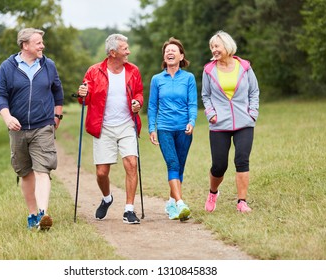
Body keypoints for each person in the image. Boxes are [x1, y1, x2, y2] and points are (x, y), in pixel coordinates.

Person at [0, 28, 64, 230]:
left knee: (43, 170)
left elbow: (57, 92)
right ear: (25, 45)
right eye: (38, 43)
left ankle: (43, 213)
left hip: (43, 125)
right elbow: (0, 95)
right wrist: (7, 117)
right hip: (18, 129)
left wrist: (57, 116)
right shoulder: (7, 67)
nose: (43, 46)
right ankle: (33, 215)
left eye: (42, 42)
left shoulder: (48, 65)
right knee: (25, 173)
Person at [77, 34, 144, 224]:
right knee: (101, 173)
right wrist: (82, 93)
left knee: (131, 163)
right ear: (113, 52)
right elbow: (85, 99)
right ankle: (107, 198)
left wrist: (137, 103)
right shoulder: (94, 71)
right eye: (125, 49)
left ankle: (129, 210)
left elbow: (139, 92)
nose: (128, 51)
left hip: (126, 125)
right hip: (103, 127)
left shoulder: (133, 71)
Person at [201, 30, 259, 213]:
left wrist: (252, 113)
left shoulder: (245, 67)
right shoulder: (209, 70)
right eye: (212, 47)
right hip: (219, 124)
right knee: (219, 165)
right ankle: (213, 192)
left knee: (242, 160)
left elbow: (254, 91)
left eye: (216, 46)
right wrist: (211, 114)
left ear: (227, 46)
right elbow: (205, 95)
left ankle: (242, 202)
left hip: (244, 122)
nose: (214, 50)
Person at [147, 37, 197, 221]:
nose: (170, 53)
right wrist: (152, 128)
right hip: (165, 128)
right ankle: (181, 203)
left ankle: (171, 203)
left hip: (184, 129)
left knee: (180, 167)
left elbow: (192, 103)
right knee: (172, 164)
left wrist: (192, 121)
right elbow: (152, 106)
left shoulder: (189, 78)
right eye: (167, 51)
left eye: (174, 50)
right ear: (164, 56)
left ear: (181, 56)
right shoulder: (157, 79)